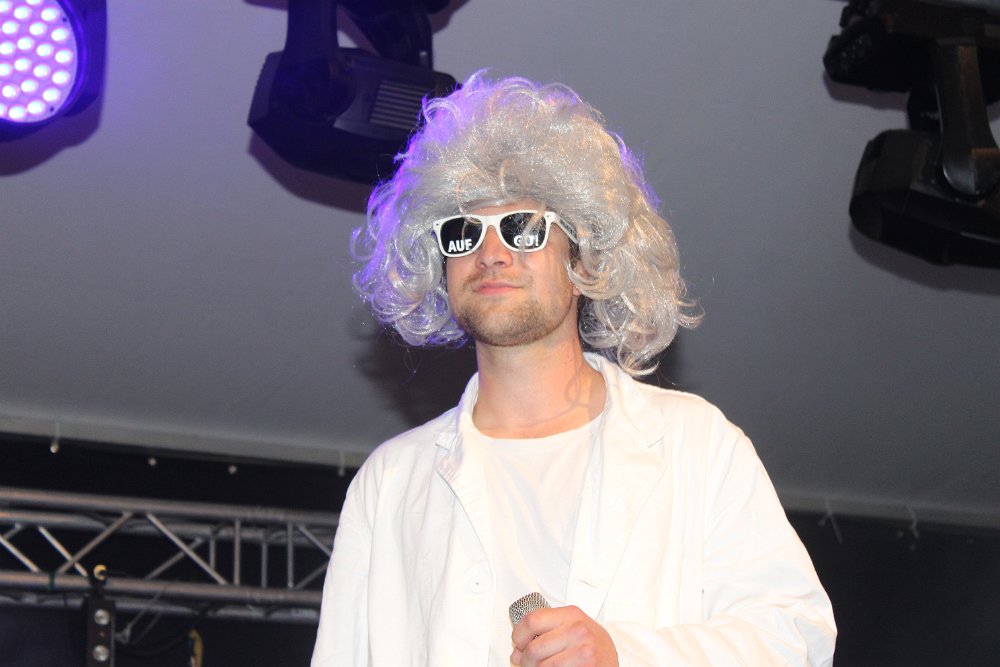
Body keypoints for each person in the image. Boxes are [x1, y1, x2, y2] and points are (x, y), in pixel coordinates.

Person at [311, 72, 836, 666]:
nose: (490, 253)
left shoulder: (696, 444)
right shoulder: (390, 483)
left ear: (584, 259)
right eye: (462, 233)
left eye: (523, 227)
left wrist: (624, 656)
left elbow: (796, 640)